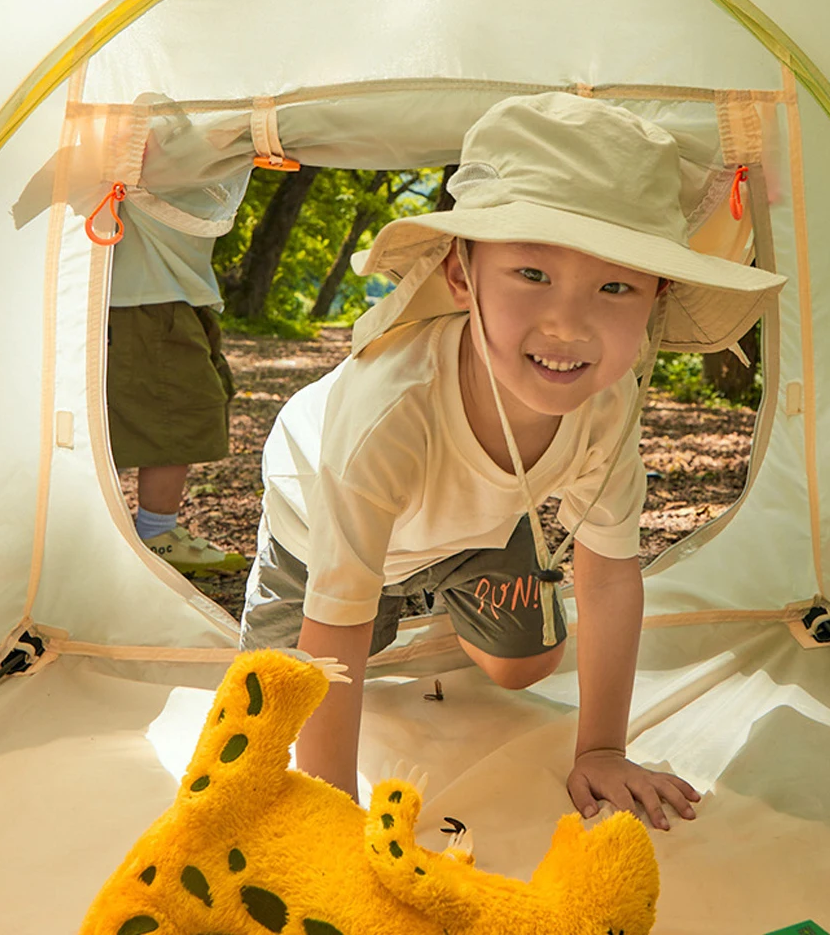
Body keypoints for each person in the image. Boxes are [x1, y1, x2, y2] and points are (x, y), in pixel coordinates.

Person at [240, 94, 785, 828]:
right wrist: (331, 815)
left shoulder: (611, 401)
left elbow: (609, 571)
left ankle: (436, 598)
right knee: (273, 716)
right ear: (461, 276)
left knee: (526, 668)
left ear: (658, 297)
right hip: (317, 541)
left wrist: (600, 749)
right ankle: (395, 600)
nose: (568, 322)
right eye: (531, 273)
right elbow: (332, 625)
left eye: (615, 285)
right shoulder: (390, 412)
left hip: (472, 533)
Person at [107, 183, 247, 577]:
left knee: (179, 408)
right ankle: (152, 538)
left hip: (167, 288)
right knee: (176, 412)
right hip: (146, 292)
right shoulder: (144, 132)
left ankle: (152, 534)